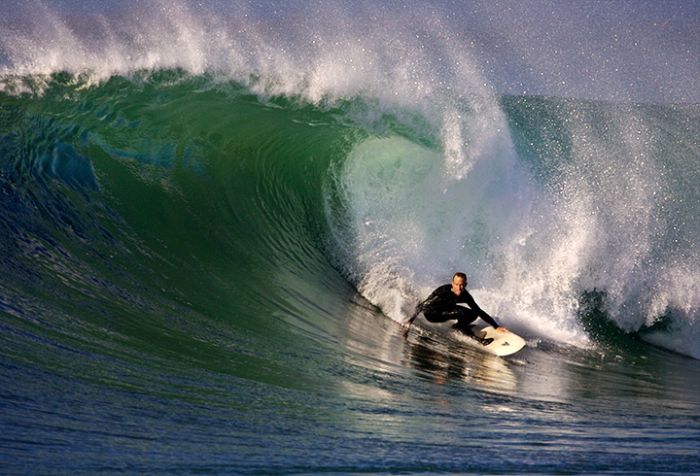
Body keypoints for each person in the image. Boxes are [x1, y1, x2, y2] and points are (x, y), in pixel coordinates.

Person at [404, 272, 508, 345]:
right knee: (459, 312)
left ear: (465, 285)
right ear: (452, 284)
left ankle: (459, 327)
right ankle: (477, 339)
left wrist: (496, 326)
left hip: (446, 309)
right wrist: (410, 321)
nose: (459, 288)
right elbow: (422, 305)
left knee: (473, 313)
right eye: (457, 285)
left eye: (462, 285)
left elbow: (479, 311)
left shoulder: (465, 295)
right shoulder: (442, 292)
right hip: (432, 314)